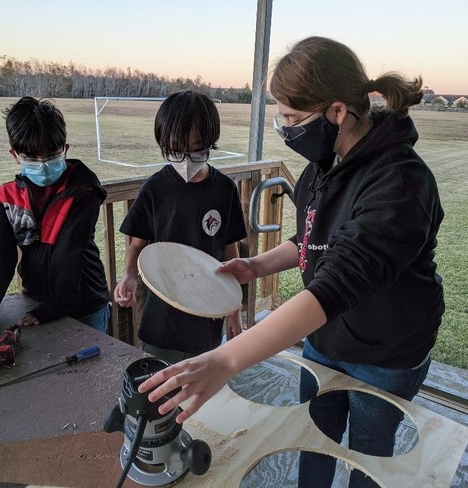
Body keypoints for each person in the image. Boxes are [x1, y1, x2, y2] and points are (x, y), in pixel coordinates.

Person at [138, 37, 444, 488]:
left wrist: (224, 360)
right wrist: (256, 266)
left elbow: (336, 283)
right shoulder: (326, 161)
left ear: (338, 111)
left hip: (386, 350)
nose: (286, 129)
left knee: (367, 455)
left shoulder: (399, 182)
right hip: (324, 338)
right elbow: (310, 240)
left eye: (293, 119)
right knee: (313, 437)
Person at [0, 96, 111, 337]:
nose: (42, 163)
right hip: (36, 303)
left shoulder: (84, 189)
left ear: (65, 149)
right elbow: (1, 257)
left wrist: (52, 310)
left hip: (85, 304)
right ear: (14, 155)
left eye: (51, 155)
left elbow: (69, 252)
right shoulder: (5, 198)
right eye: (31, 156)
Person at [113, 90, 247, 364]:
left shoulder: (224, 189)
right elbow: (137, 244)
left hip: (208, 312)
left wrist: (235, 310)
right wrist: (128, 276)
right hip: (161, 316)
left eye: (196, 148)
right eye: (176, 149)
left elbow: (230, 249)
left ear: (211, 141)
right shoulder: (154, 189)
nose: (186, 158)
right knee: (160, 389)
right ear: (163, 142)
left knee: (203, 386)